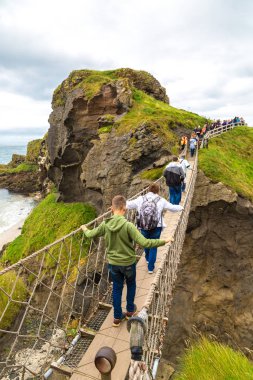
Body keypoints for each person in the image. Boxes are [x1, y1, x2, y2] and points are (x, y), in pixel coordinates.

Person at [81, 195, 172, 327]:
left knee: (117, 289)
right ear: (124, 208)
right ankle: (130, 311)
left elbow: (90, 234)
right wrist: (164, 241)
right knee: (131, 285)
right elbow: (145, 242)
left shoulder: (105, 224)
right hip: (128, 263)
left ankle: (117, 317)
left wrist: (84, 228)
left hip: (113, 264)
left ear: (112, 208)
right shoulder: (128, 226)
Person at [126, 183, 183, 273]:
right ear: (158, 191)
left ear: (148, 190)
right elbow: (172, 208)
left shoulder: (140, 199)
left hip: (143, 226)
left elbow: (128, 205)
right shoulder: (161, 200)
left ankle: (148, 258)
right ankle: (150, 268)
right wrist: (181, 207)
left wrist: (115, 206)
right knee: (154, 245)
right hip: (157, 226)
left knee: (145, 243)